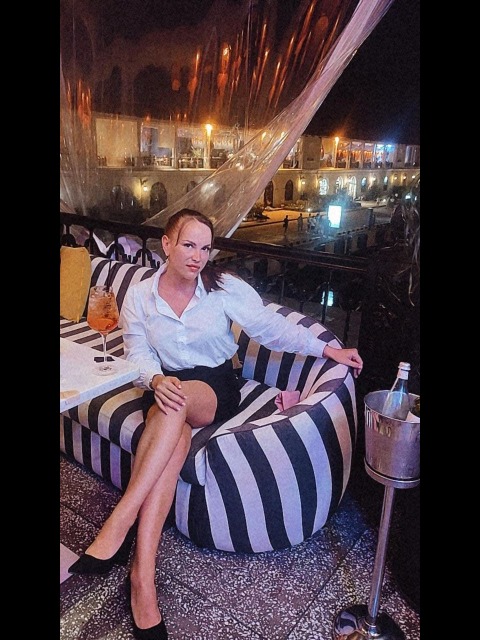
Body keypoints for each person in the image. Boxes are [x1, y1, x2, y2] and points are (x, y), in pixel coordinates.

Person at [69, 208, 363, 639]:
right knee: (175, 437)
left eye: (205, 248)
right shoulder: (140, 296)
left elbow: (272, 328)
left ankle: (120, 520)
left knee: (175, 405)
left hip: (214, 385)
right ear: (166, 245)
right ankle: (141, 579)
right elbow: (137, 353)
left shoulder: (223, 287)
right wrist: (156, 379)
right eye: (188, 245)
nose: (197, 256)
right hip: (163, 383)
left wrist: (328, 350)